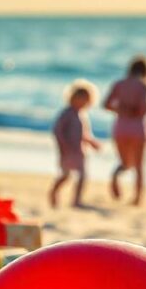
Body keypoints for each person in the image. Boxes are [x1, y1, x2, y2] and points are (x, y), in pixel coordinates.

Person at [104, 55, 146, 206]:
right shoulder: (144, 85)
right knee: (139, 166)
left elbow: (106, 104)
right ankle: (137, 199)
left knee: (124, 162)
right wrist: (132, 111)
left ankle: (115, 175)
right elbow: (144, 110)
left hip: (121, 128)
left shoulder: (119, 84)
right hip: (138, 129)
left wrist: (120, 109)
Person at [50, 79, 101, 208]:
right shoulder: (66, 113)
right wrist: (63, 145)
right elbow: (57, 130)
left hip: (79, 151)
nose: (83, 102)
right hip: (67, 151)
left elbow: (84, 134)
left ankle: (76, 200)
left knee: (83, 176)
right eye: (80, 98)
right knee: (66, 176)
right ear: (72, 97)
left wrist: (92, 142)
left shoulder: (82, 115)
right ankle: (54, 192)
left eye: (86, 100)